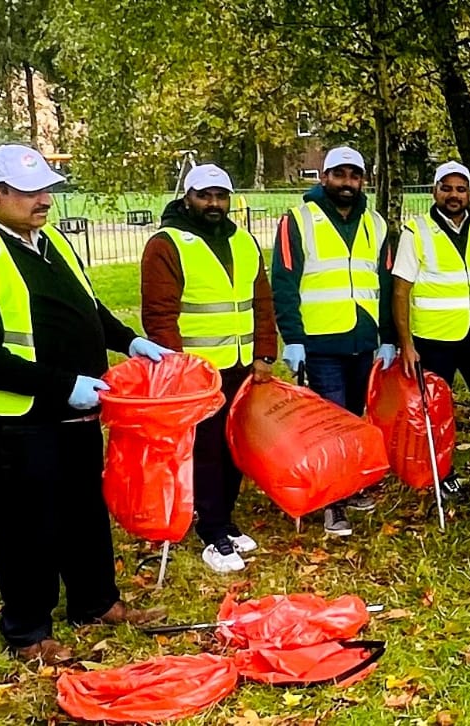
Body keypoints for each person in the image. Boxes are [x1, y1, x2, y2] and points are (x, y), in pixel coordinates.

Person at [0, 144, 167, 663]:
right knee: (24, 519)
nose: (45, 201)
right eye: (32, 192)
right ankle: (28, 630)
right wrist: (64, 385)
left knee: (83, 504)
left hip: (75, 405)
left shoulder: (49, 238)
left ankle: (95, 600)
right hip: (14, 415)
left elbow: (85, 304)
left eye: (48, 190)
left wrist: (128, 340)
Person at [140, 164, 276, 574]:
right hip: (197, 371)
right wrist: (178, 366)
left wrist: (265, 353)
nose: (213, 204)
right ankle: (211, 529)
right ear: (188, 197)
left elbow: (261, 302)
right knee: (205, 451)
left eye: (220, 196)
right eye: (204, 196)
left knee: (233, 445)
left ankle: (225, 519)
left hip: (240, 363)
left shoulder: (243, 240)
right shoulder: (167, 244)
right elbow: (160, 314)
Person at [271, 146, 395, 536]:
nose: (347, 183)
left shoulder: (375, 223)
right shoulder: (299, 220)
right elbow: (284, 281)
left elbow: (387, 283)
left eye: (354, 176)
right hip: (320, 340)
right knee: (329, 424)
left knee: (352, 420)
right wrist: (292, 338)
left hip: (362, 339)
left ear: (363, 180)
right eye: (339, 175)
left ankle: (351, 483)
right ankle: (332, 502)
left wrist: (387, 336)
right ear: (323, 178)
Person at [390, 162, 470, 508]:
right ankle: (442, 473)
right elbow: (401, 290)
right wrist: (406, 344)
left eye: (461, 189)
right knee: (438, 411)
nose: (454, 195)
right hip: (435, 338)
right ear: (435, 192)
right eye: (447, 188)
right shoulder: (417, 231)